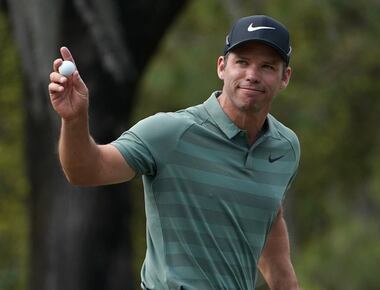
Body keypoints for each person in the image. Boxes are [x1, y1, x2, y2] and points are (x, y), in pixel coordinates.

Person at [49, 15, 300, 290]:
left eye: (267, 66)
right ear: (222, 67)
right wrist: (74, 120)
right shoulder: (169, 132)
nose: (252, 75)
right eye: (242, 62)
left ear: (284, 77)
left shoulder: (285, 147)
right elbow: (86, 170)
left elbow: (269, 231)